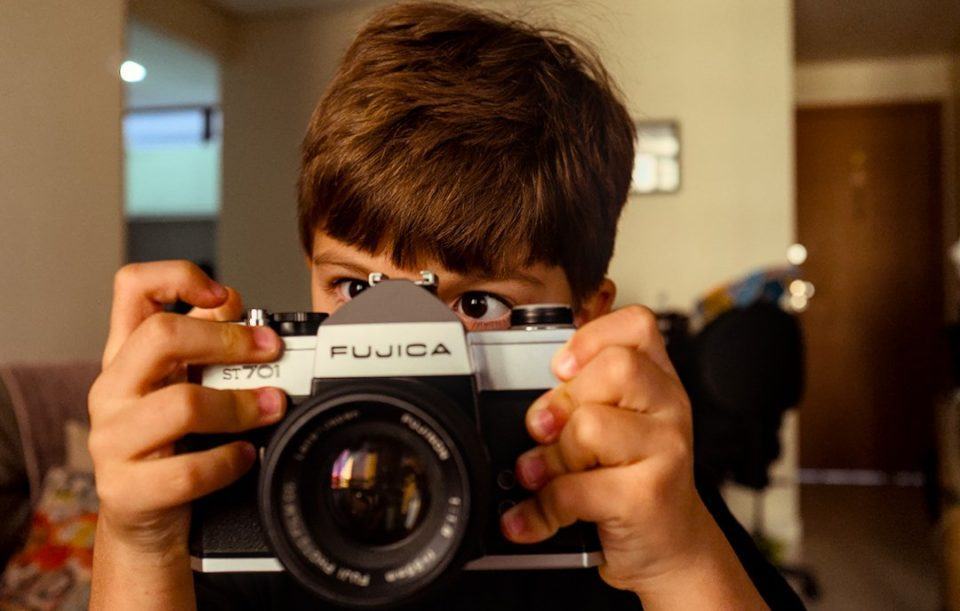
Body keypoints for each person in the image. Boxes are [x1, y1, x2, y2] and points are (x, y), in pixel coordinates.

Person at [87, 2, 803, 609]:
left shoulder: (621, 501)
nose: (399, 335)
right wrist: (138, 540)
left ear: (585, 319)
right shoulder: (261, 480)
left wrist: (677, 564)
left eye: (479, 300)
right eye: (355, 289)